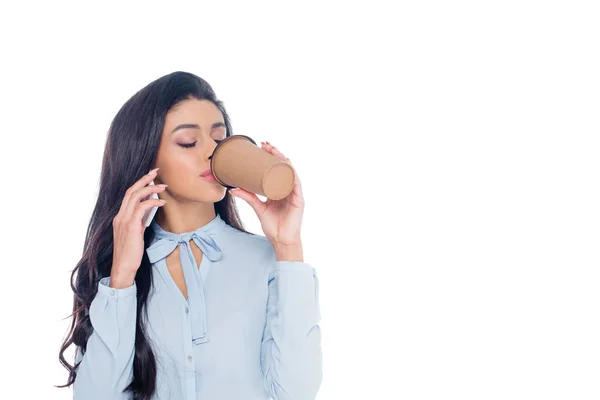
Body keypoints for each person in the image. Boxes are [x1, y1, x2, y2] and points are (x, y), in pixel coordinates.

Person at [56, 71, 322, 399]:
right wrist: (122, 279)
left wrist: (288, 246)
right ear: (145, 155)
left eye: (219, 138)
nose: (212, 151)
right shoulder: (117, 275)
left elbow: (296, 392)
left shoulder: (268, 260)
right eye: (188, 142)